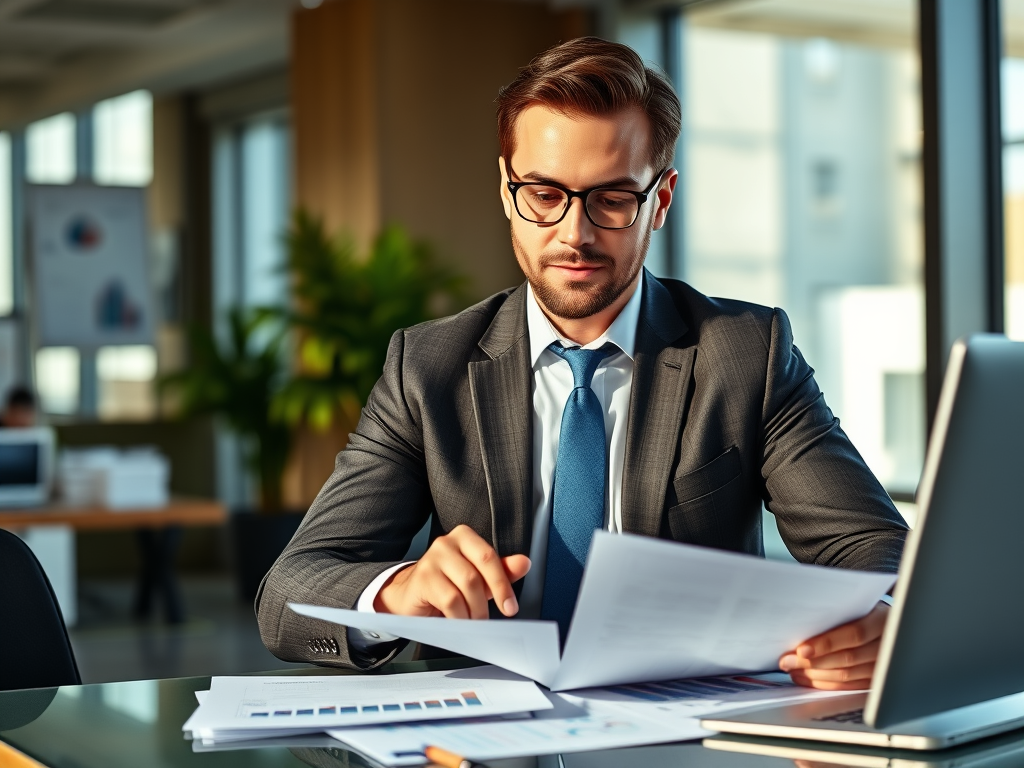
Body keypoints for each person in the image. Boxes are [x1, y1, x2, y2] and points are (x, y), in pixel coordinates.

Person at [257, 37, 908, 691]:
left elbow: (874, 547)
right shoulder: (428, 366)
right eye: (543, 194)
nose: (575, 233)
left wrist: (879, 619)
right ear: (506, 189)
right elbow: (289, 592)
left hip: (682, 738)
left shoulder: (747, 352)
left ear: (662, 199)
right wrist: (398, 591)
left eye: (613, 199)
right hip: (483, 738)